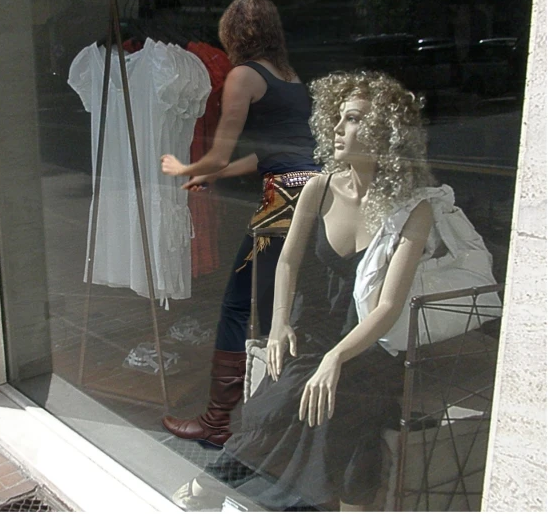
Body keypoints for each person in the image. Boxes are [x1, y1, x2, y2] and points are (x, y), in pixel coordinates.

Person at [172, 70, 438, 511]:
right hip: (311, 327)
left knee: (336, 406)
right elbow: (289, 261)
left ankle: (230, 489)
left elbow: (389, 305)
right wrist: (278, 325)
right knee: (283, 398)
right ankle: (230, 485)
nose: (336, 127)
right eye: (337, 116)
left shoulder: (413, 209)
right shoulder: (319, 188)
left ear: (382, 131)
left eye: (351, 119)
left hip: (368, 345)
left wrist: (337, 358)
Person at [160, 0, 321, 449]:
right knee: (278, 308)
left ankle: (219, 424)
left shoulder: (243, 76)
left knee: (238, 305)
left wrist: (186, 169)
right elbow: (265, 155)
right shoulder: (290, 77)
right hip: (308, 191)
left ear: (231, 33)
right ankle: (274, 418)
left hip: (283, 200)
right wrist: (213, 174)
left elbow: (220, 150)